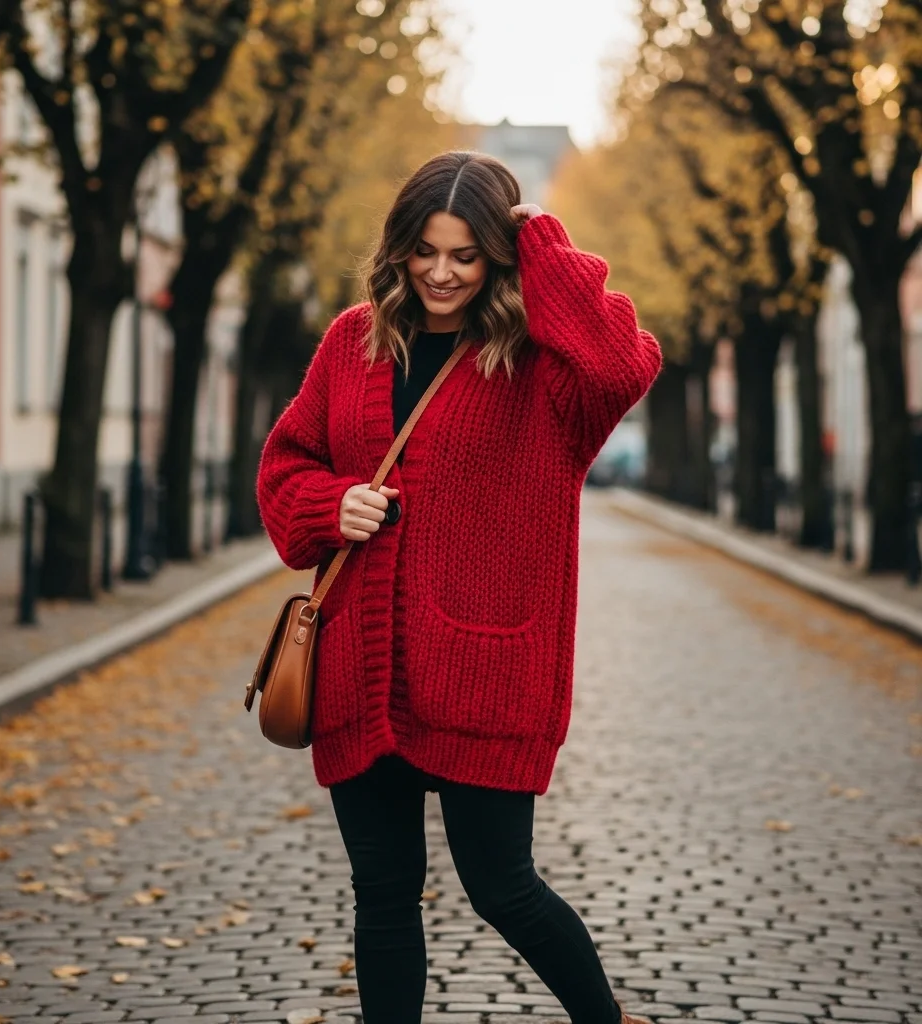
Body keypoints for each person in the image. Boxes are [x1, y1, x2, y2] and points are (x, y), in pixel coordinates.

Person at [255, 151, 663, 1024]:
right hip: (358, 669)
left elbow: (622, 363)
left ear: (499, 259)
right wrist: (334, 504)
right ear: (400, 248)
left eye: (466, 254)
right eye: (425, 250)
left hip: (485, 671)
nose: (441, 273)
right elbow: (287, 466)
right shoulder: (352, 342)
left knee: (503, 889)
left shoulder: (546, 372)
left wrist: (541, 237)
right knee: (385, 897)